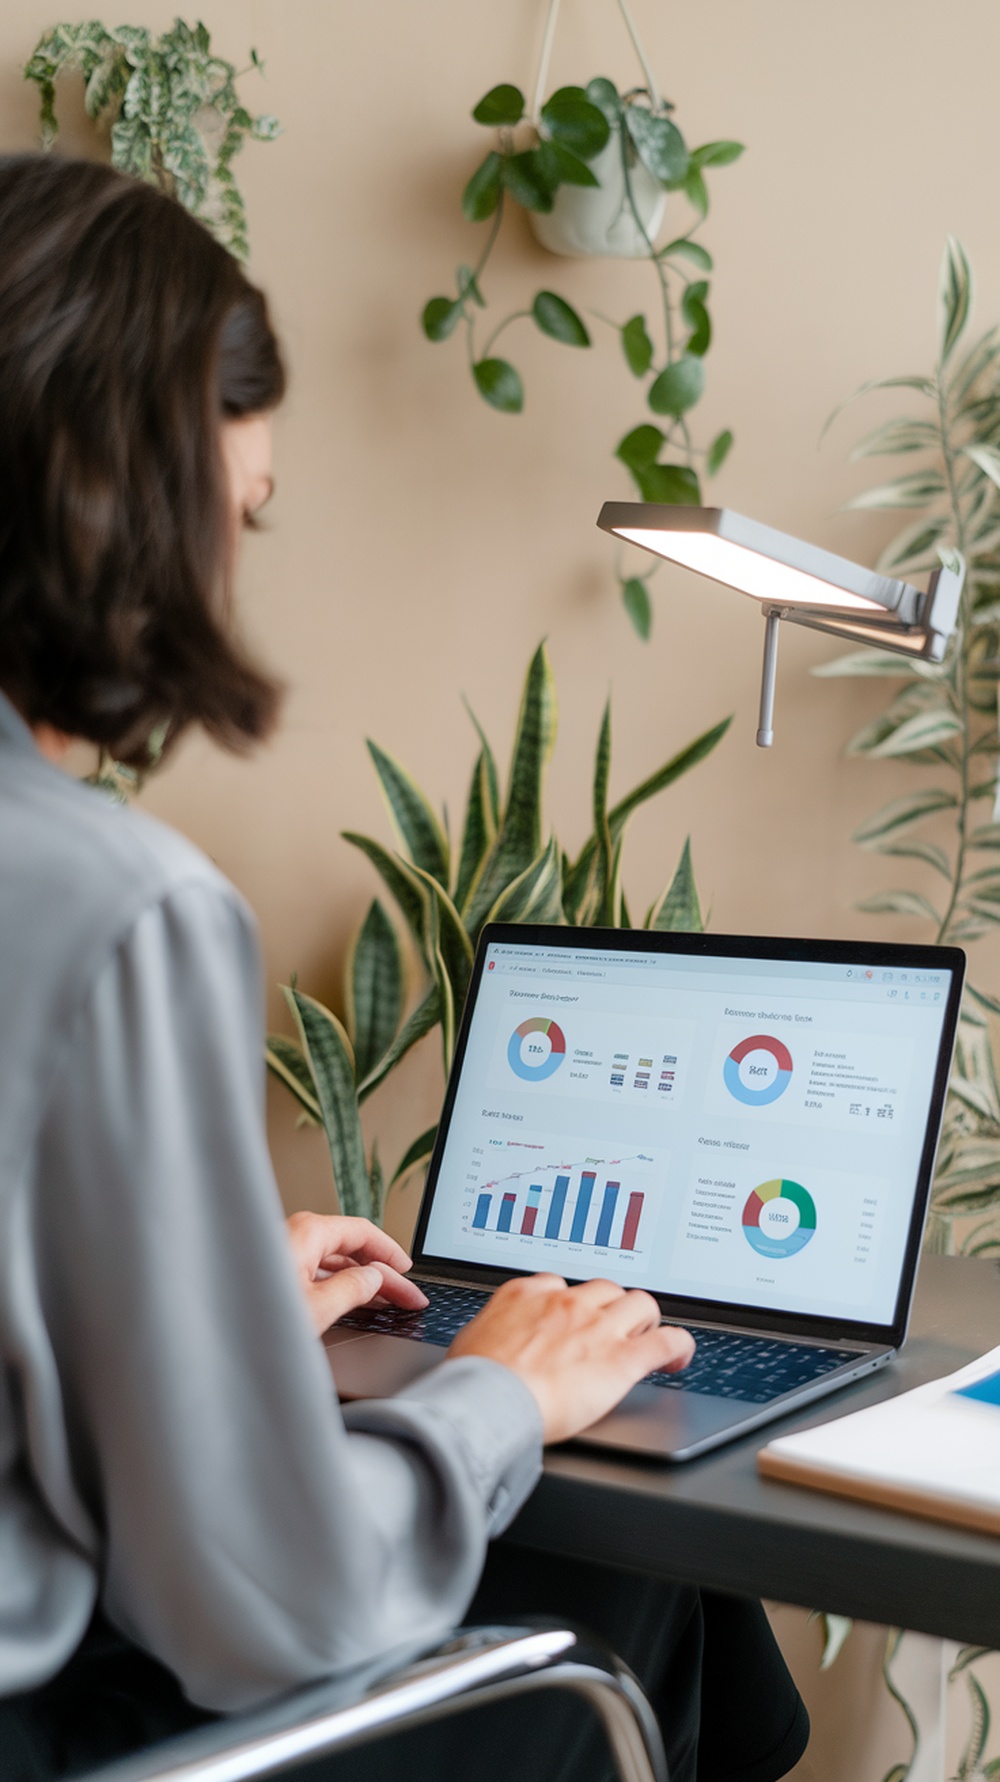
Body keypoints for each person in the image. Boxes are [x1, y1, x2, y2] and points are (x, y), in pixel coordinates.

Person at [0, 153, 808, 1782]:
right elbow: (254, 1604)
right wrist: (501, 1389)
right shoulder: (112, 899)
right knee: (629, 1561)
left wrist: (198, 1296)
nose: (227, 566)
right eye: (237, 510)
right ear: (126, 507)